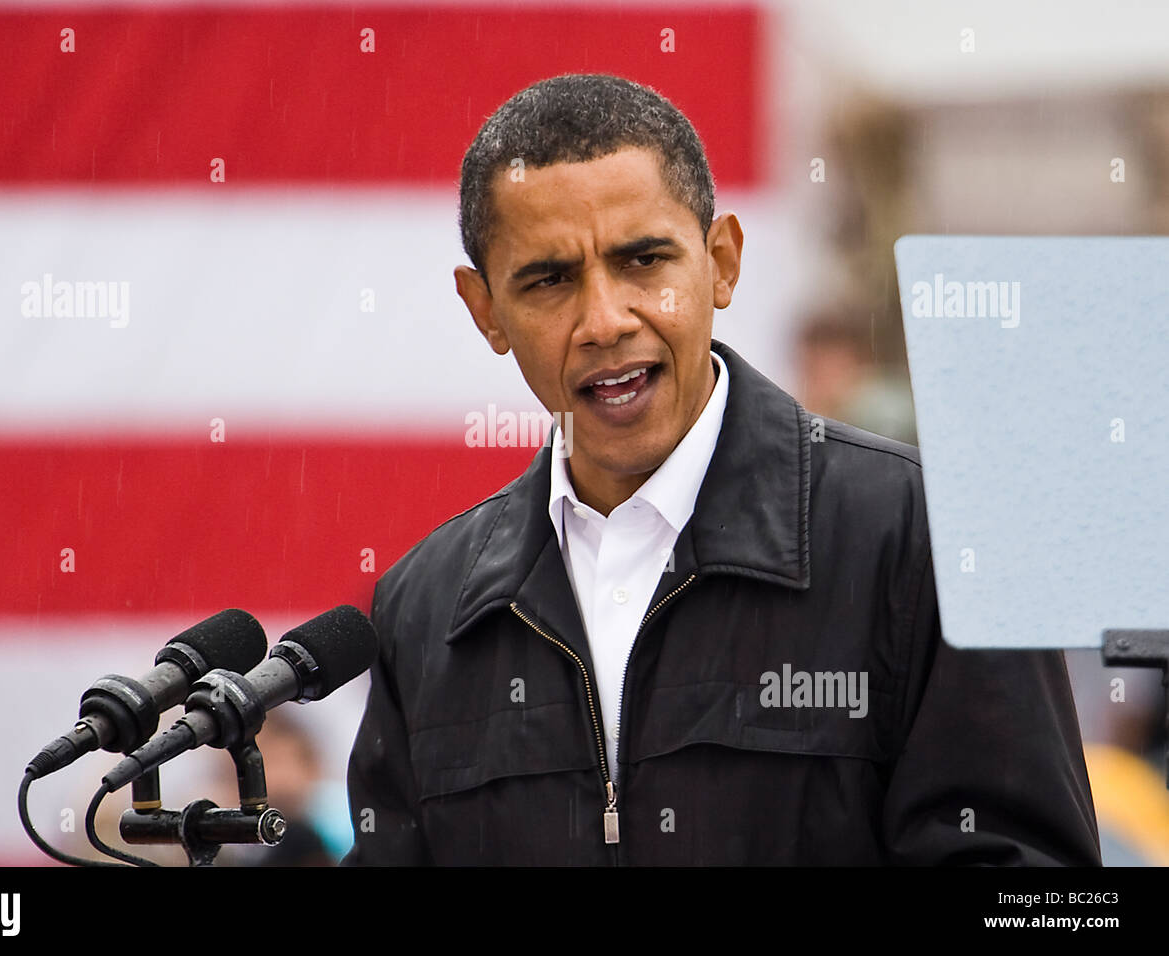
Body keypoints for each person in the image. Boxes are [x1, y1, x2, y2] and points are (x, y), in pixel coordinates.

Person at [341, 73, 1101, 865]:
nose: (604, 320)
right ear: (486, 309)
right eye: (550, 279)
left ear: (723, 263)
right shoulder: (422, 608)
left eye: (643, 261)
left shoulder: (931, 535)